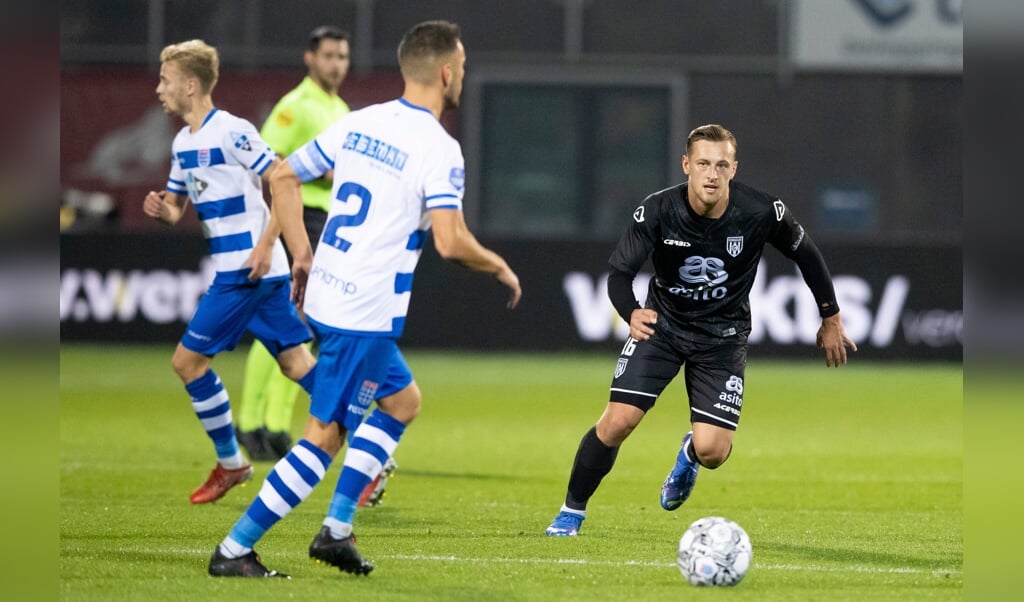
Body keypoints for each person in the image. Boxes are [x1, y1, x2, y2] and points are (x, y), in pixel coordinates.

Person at [208, 20, 522, 578]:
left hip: (333, 295)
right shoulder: (439, 148)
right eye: (463, 67)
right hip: (364, 314)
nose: (463, 76)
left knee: (402, 401)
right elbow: (450, 241)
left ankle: (336, 529)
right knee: (321, 439)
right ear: (446, 72)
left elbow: (280, 175)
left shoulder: (360, 121)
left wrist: (301, 252)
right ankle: (235, 549)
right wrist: (497, 263)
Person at [544, 124, 857, 537]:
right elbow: (620, 273)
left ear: (733, 169)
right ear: (686, 165)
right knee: (618, 421)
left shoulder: (762, 211)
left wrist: (830, 316)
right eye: (704, 164)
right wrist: (631, 312)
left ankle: (689, 452)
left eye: (722, 165)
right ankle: (571, 511)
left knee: (713, 452)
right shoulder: (657, 211)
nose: (712, 174)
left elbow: (808, 255)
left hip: (722, 338)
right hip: (663, 327)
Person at [143, 39, 317, 505]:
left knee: (186, 362)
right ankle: (371, 444)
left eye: (166, 80)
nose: (159, 89)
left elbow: (283, 180)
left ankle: (232, 462)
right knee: (296, 363)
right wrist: (161, 209)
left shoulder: (233, 132)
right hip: (255, 272)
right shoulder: (183, 143)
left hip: (247, 272)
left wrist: (264, 246)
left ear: (191, 84)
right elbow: (178, 209)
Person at [236, 25, 351, 463]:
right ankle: (250, 423)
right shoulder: (296, 106)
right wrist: (274, 230)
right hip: (303, 219)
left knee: (305, 326)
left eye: (342, 56)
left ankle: (276, 424)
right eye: (329, 56)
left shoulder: (339, 108)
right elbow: (270, 160)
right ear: (310, 58)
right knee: (285, 321)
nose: (336, 64)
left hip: (330, 223)